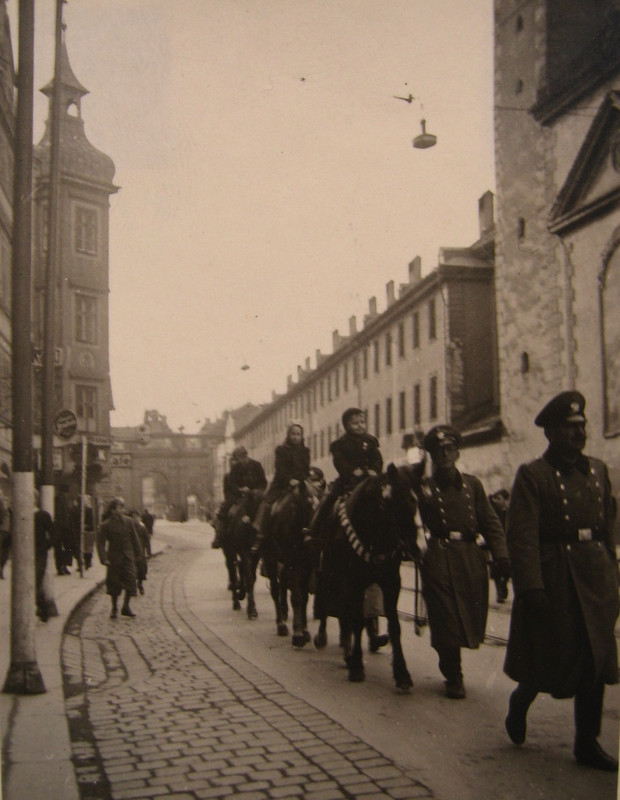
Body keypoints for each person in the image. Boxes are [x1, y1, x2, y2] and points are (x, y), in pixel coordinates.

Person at [503, 391, 619, 771]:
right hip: (556, 576)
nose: (579, 432)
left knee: (595, 660)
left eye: (582, 425)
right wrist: (531, 587)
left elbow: (609, 527)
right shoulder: (533, 475)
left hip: (596, 575)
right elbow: (522, 536)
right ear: (551, 432)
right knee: (547, 658)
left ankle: (587, 743)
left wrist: (616, 572)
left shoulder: (599, 471)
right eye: (571, 427)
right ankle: (520, 702)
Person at [411, 424, 510, 699]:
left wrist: (501, 554)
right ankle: (454, 674)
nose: (444, 455)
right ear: (431, 455)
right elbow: (410, 519)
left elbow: (490, 522)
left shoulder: (473, 485)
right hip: (439, 555)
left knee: (469, 614)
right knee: (445, 616)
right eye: (438, 451)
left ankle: (452, 664)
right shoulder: (424, 488)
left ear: (457, 452)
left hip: (469, 556)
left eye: (449, 449)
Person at [305, 407, 383, 546]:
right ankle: (314, 530)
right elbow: (340, 463)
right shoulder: (340, 444)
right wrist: (352, 471)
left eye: (362, 422)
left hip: (370, 480)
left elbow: (378, 459)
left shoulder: (370, 441)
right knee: (328, 500)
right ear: (347, 426)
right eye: (355, 423)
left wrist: (375, 470)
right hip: (349, 482)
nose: (360, 426)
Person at [253, 421, 311, 547]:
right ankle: (261, 534)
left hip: (301, 483)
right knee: (267, 504)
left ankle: (313, 531)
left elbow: (306, 469)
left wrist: (300, 480)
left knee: (314, 500)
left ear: (302, 436)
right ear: (288, 435)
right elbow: (280, 468)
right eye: (293, 434)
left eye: (298, 434)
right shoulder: (281, 450)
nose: (295, 437)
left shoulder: (305, 451)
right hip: (281, 484)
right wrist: (289, 480)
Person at [96, 498, 146, 619]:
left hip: (128, 556)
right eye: (119, 508)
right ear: (113, 510)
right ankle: (114, 608)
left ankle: (126, 607)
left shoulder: (129, 522)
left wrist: (139, 554)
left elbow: (135, 539)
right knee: (114, 584)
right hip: (114, 558)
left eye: (123, 508)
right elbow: (100, 543)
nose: (122, 510)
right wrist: (104, 558)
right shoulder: (106, 525)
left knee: (131, 579)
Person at [212, 446, 267, 548]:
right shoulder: (236, 468)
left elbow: (263, 482)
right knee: (225, 508)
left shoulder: (256, 465)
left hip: (255, 494)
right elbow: (232, 483)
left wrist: (255, 490)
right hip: (239, 495)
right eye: (238, 459)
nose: (240, 461)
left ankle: (261, 532)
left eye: (242, 458)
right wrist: (240, 489)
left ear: (245, 456)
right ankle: (219, 535)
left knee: (265, 507)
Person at [485, 489, 510, 603]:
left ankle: (503, 584)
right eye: (495, 498)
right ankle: (499, 590)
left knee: (508, 568)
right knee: (495, 568)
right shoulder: (493, 511)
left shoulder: (511, 513)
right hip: (495, 544)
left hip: (508, 545)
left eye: (499, 498)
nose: (495, 501)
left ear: (506, 500)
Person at [34, 490, 54, 622]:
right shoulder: (19, 513)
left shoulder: (43, 515)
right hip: (23, 556)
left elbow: (53, 534)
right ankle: (41, 607)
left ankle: (43, 608)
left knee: (36, 580)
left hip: (39, 553)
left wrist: (45, 546)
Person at [129, 509, 152, 595]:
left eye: (137, 517)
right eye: (133, 517)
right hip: (131, 552)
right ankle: (133, 587)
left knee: (142, 570)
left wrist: (149, 551)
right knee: (132, 571)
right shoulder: (128, 528)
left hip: (140, 552)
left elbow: (147, 540)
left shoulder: (142, 528)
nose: (135, 519)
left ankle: (140, 584)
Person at [53, 484, 73, 575]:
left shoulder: (59, 500)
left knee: (61, 549)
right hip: (62, 528)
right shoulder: (60, 500)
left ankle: (62, 567)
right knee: (64, 548)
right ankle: (62, 567)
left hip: (62, 528)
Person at [0, 495, 10, 579]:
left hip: (3, 529)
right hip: (4, 529)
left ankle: (1, 569)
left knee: (3, 552)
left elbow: (3, 512)